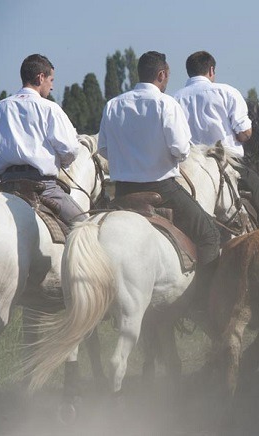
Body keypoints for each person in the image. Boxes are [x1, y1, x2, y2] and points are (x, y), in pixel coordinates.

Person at [98, 51, 220, 298]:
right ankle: (203, 303)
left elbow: (103, 150)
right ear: (162, 74)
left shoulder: (113, 104)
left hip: (121, 192)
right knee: (210, 234)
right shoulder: (166, 104)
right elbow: (181, 150)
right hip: (162, 191)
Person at [173, 50, 259, 217]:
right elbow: (244, 134)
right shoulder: (227, 92)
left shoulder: (174, 99)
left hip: (190, 168)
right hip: (229, 163)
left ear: (189, 71)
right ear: (211, 70)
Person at [0, 54, 86, 224]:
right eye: (51, 80)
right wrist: (63, 161)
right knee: (85, 225)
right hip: (42, 187)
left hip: (3, 185)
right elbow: (70, 149)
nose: (52, 87)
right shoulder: (49, 108)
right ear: (40, 77)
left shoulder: (0, 107)